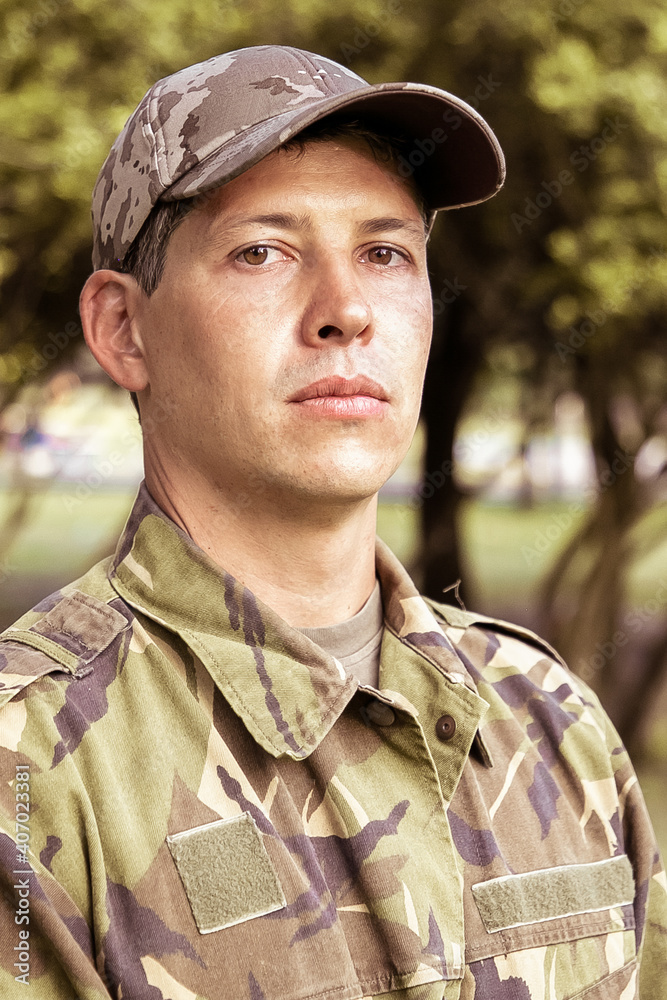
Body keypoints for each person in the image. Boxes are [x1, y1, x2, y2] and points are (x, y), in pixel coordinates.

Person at [0, 44, 664, 1000]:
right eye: (261, 250)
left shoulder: (551, 721)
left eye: (385, 253)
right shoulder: (33, 769)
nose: (346, 310)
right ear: (122, 330)